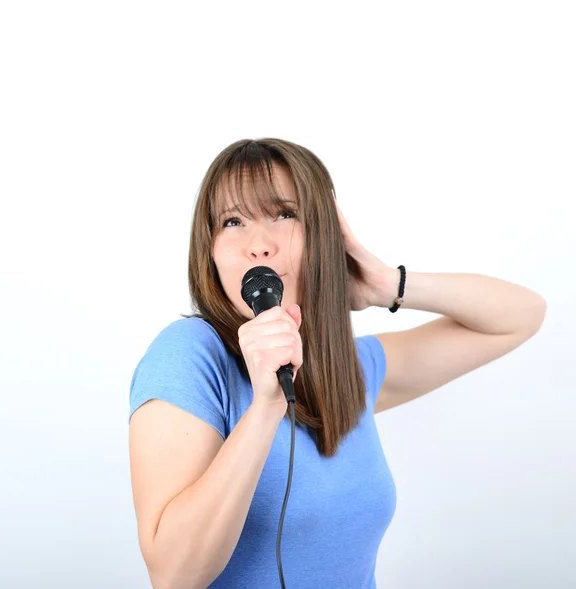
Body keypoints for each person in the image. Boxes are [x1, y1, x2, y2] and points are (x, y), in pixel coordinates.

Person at [128, 138, 546, 588]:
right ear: (209, 251)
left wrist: (387, 286)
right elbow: (173, 575)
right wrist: (266, 408)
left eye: (284, 214)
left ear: (324, 235)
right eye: (233, 221)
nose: (258, 245)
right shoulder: (190, 354)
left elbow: (520, 317)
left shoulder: (352, 369)